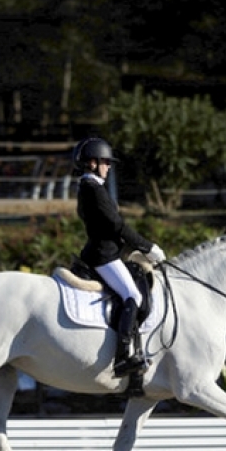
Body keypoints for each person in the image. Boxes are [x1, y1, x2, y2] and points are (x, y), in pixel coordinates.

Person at [72, 137, 166, 377]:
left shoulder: (91, 187)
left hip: (108, 251)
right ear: (92, 163)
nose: (109, 166)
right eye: (105, 162)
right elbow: (116, 225)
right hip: (103, 256)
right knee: (132, 295)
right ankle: (123, 357)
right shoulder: (92, 188)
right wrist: (147, 246)